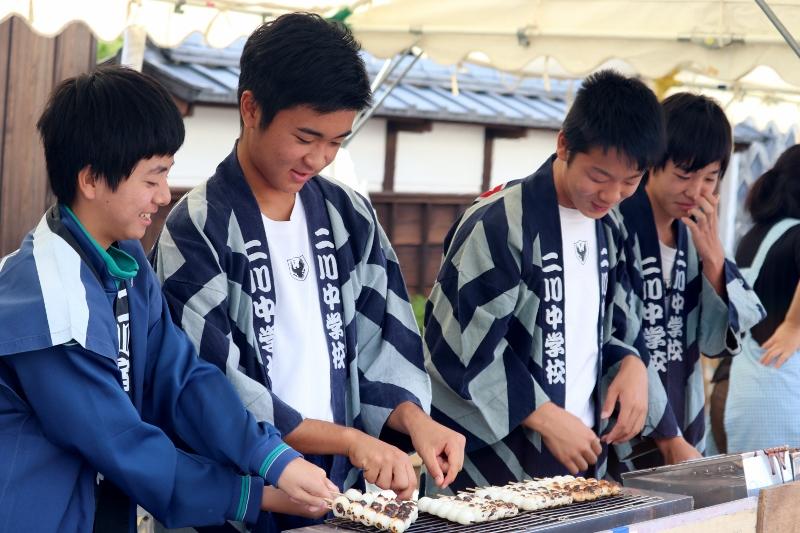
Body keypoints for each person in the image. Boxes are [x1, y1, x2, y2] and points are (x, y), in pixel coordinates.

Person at [152, 12, 465, 531]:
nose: (319, 158)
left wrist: (417, 422)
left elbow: (384, 341)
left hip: (340, 492)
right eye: (306, 136)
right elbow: (210, 387)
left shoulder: (350, 215)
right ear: (251, 108)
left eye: (337, 141)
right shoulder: (198, 227)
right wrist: (349, 439)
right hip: (245, 496)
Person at [0, 66, 338, 532]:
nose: (164, 196)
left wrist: (272, 456)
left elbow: (181, 377)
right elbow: (119, 442)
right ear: (92, 180)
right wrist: (252, 495)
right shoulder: (48, 300)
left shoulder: (124, 260)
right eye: (152, 178)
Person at [422, 70, 661, 492]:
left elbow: (620, 321)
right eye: (599, 176)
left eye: (630, 181)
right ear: (563, 145)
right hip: (494, 468)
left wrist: (633, 363)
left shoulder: (611, 226)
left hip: (582, 456)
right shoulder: (499, 223)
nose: (611, 195)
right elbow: (457, 344)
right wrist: (546, 417)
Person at [611, 93, 765, 473]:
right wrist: (668, 437)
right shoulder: (615, 224)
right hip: (620, 427)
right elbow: (613, 333)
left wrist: (714, 259)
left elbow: (718, 341)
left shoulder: (697, 235)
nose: (696, 191)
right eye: (683, 175)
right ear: (652, 163)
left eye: (709, 178)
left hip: (683, 419)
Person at [725, 145, 800, 452]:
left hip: (743, 387)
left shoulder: (752, 236)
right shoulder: (796, 234)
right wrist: (794, 325)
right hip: (779, 393)